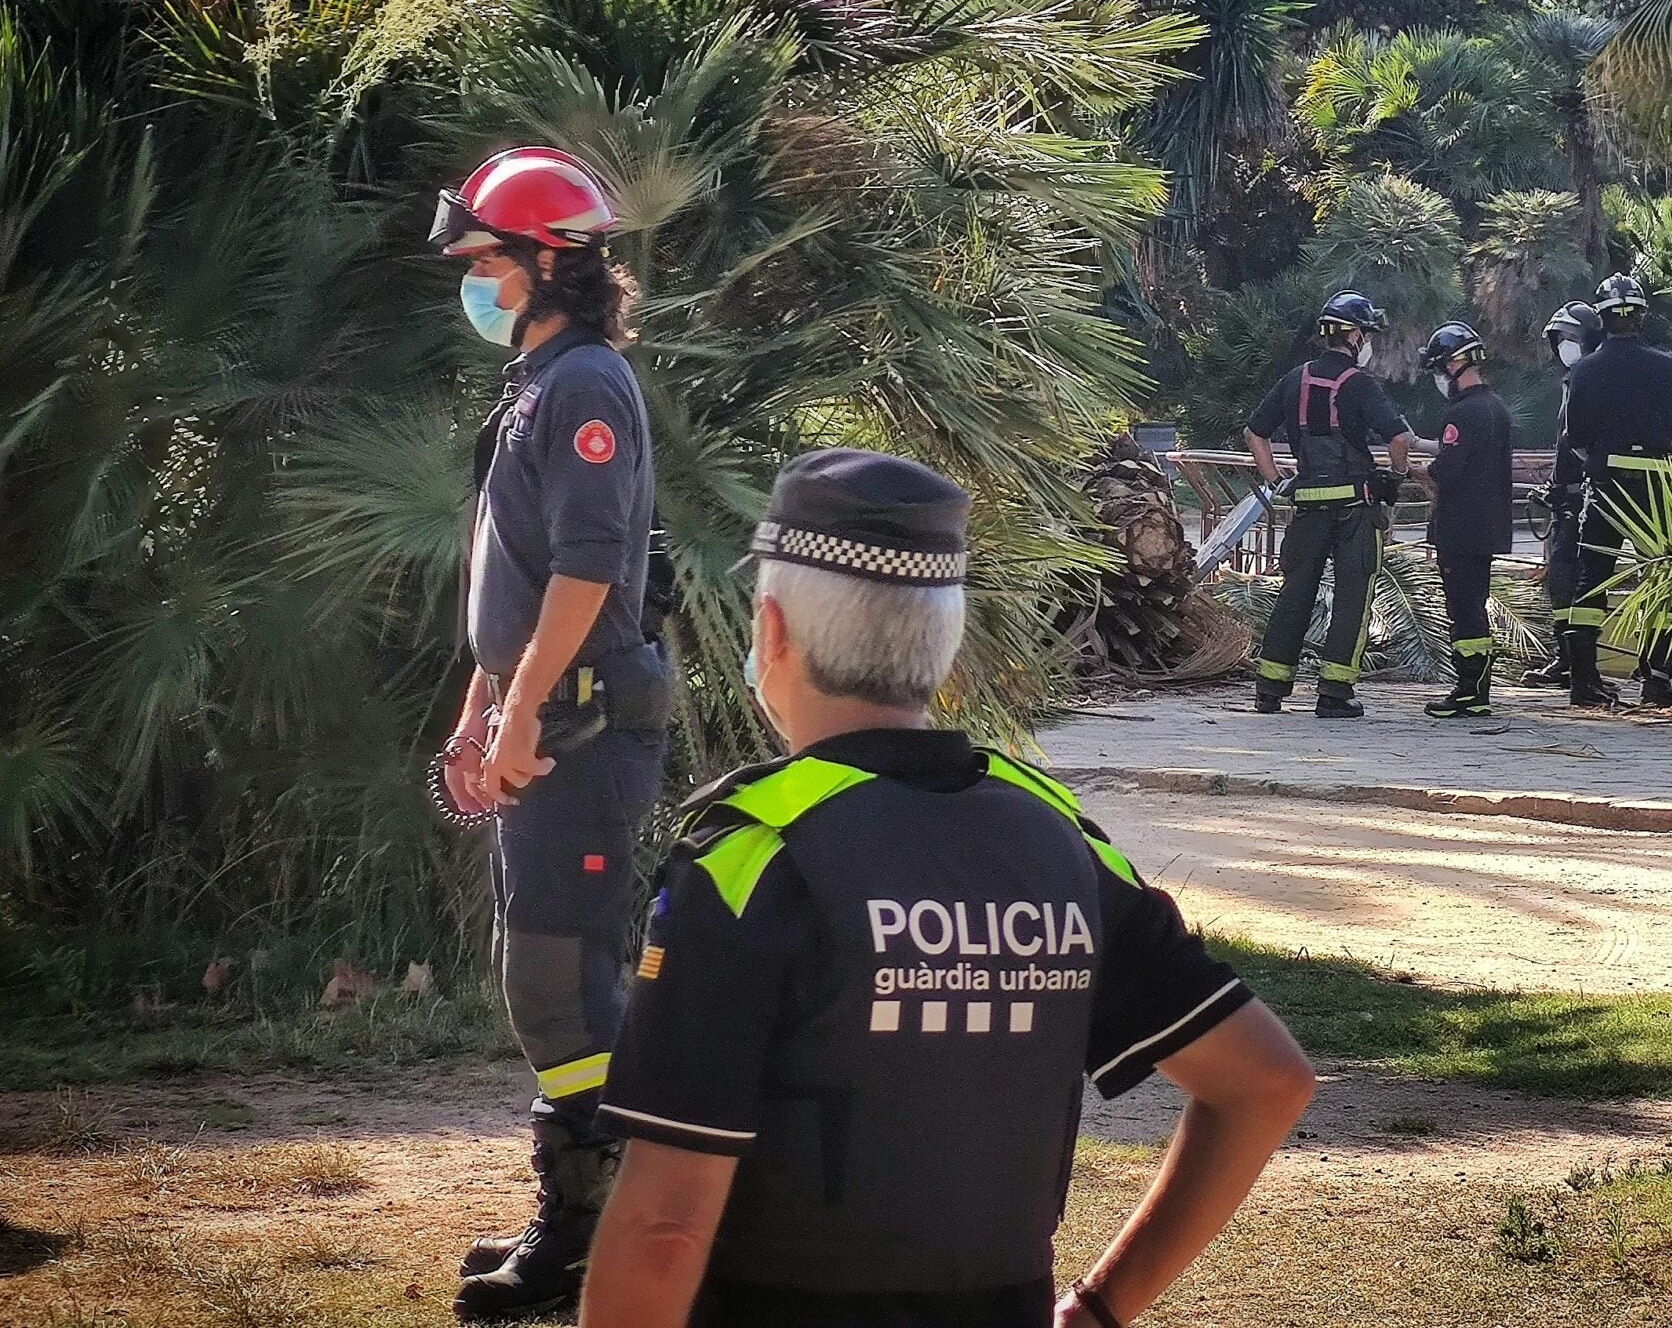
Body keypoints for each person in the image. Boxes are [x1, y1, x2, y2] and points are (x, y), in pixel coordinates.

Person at [580, 449, 1318, 1328]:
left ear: (771, 632)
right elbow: (1265, 1081)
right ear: (946, 639)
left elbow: (663, 1230)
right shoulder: (1059, 841)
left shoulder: (754, 859)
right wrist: (1099, 1307)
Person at [430, 146, 675, 1320]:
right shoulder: (540, 381)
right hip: (540, 723)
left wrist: (522, 711)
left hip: (581, 730)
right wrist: (478, 710)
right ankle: (589, 1216)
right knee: (544, 979)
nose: (471, 282)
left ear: (545, 264)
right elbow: (515, 577)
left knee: (562, 987)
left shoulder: (583, 387)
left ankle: (595, 1237)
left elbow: (585, 573)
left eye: (483, 261)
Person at [1245, 290, 1415, 718]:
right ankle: (1334, 694)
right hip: (1356, 510)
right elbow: (1398, 437)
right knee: (1352, 599)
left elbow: (1255, 432)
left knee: (1295, 594)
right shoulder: (1359, 385)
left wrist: (1272, 475)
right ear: (1355, 335)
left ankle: (1270, 688)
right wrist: (1398, 473)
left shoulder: (1293, 379)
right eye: (1367, 334)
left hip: (1306, 509)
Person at [1557, 274, 1672, 709]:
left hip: (1605, 485)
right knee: (1661, 578)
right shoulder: (1667, 367)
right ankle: (1656, 678)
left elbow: (1574, 438)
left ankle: (1584, 681)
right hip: (1656, 484)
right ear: (1643, 316)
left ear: (1602, 318)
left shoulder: (1584, 370)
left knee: (1592, 578)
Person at [1417, 322, 1514, 719]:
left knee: (1463, 608)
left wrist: (1415, 470)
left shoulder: (1461, 413)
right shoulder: (1496, 408)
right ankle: (1478, 688)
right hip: (1488, 527)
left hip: (1459, 528)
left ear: (1453, 365)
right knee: (1475, 603)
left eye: (1440, 369)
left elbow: (1447, 472)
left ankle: (1470, 690)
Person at [1522, 301, 1601, 689]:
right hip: (1564, 497)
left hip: (1586, 497)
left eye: (1571, 338)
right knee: (1560, 580)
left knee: (1577, 577)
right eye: (1560, 339)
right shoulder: (1571, 382)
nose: (1564, 346)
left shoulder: (1594, 378)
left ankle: (1580, 665)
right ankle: (1565, 658)